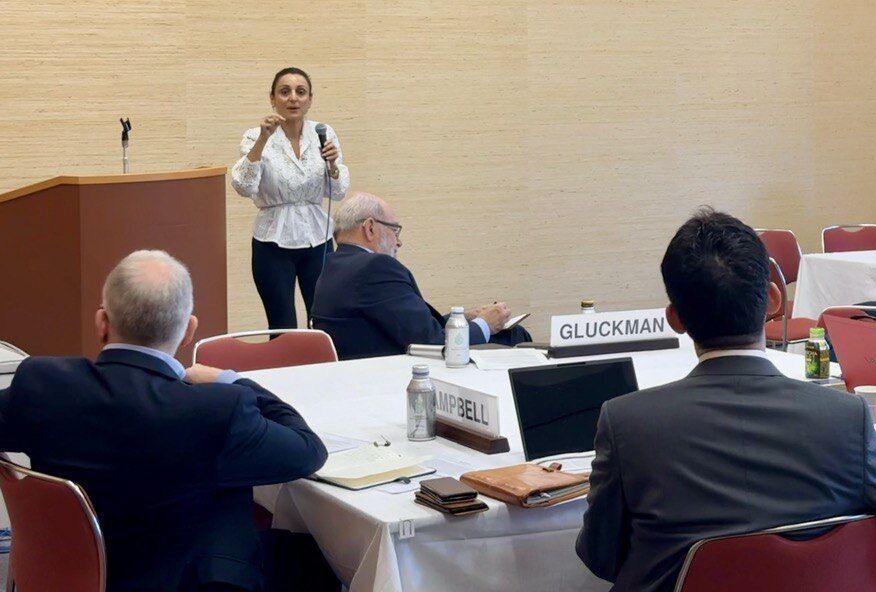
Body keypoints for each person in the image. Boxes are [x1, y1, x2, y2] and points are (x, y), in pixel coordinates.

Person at [576, 208, 876, 592]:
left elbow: (601, 557)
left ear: (675, 319)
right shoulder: (847, 416)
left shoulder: (627, 422)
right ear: (774, 299)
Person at [0, 251, 327, 592]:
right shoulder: (218, 409)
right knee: (315, 557)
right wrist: (232, 380)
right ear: (189, 331)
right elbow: (308, 450)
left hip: (61, 573)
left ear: (102, 322)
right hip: (188, 580)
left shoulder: (42, 384)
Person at [310, 192, 531, 359]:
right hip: (399, 375)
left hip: (363, 373)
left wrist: (464, 318)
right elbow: (431, 342)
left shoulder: (333, 266)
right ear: (370, 228)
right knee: (515, 336)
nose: (399, 242)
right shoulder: (375, 267)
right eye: (394, 230)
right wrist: (485, 324)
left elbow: (409, 326)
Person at [231, 67, 350, 331]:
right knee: (282, 324)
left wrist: (332, 165)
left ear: (310, 99)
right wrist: (262, 140)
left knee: (323, 320)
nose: (293, 98)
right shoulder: (254, 135)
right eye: (285, 92)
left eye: (301, 92)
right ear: (272, 98)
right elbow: (243, 186)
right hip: (272, 241)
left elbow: (338, 191)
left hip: (317, 237)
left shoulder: (323, 132)